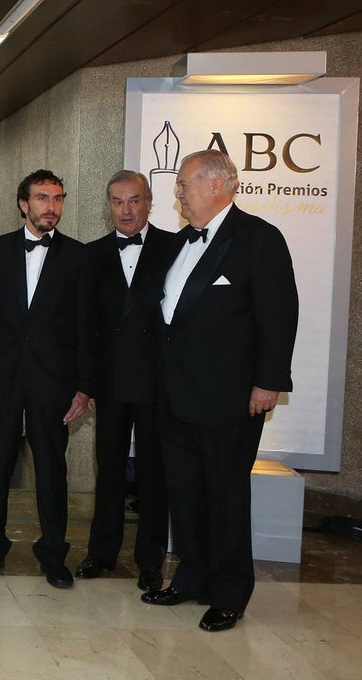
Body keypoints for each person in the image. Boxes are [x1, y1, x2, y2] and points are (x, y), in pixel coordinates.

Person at [141, 150, 298, 632]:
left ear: (216, 185)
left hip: (228, 396)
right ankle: (192, 577)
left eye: (184, 184)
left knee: (225, 494)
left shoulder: (259, 239)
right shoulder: (181, 242)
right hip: (174, 393)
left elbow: (279, 314)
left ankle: (230, 592)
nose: (179, 193)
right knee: (185, 492)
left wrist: (269, 382)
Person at [0, 169, 92, 588]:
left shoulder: (78, 257)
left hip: (53, 382)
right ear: (24, 204)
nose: (50, 207)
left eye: (57, 199)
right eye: (42, 198)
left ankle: (54, 554)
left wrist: (84, 387)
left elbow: (84, 329)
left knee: (52, 472)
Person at [77, 170, 171, 591]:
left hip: (158, 382)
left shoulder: (175, 247)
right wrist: (87, 383)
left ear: (149, 202)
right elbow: (85, 327)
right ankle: (101, 553)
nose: (126, 209)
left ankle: (150, 560)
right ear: (108, 206)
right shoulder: (91, 255)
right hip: (111, 383)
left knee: (155, 473)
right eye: (118, 202)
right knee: (109, 470)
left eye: (134, 200)